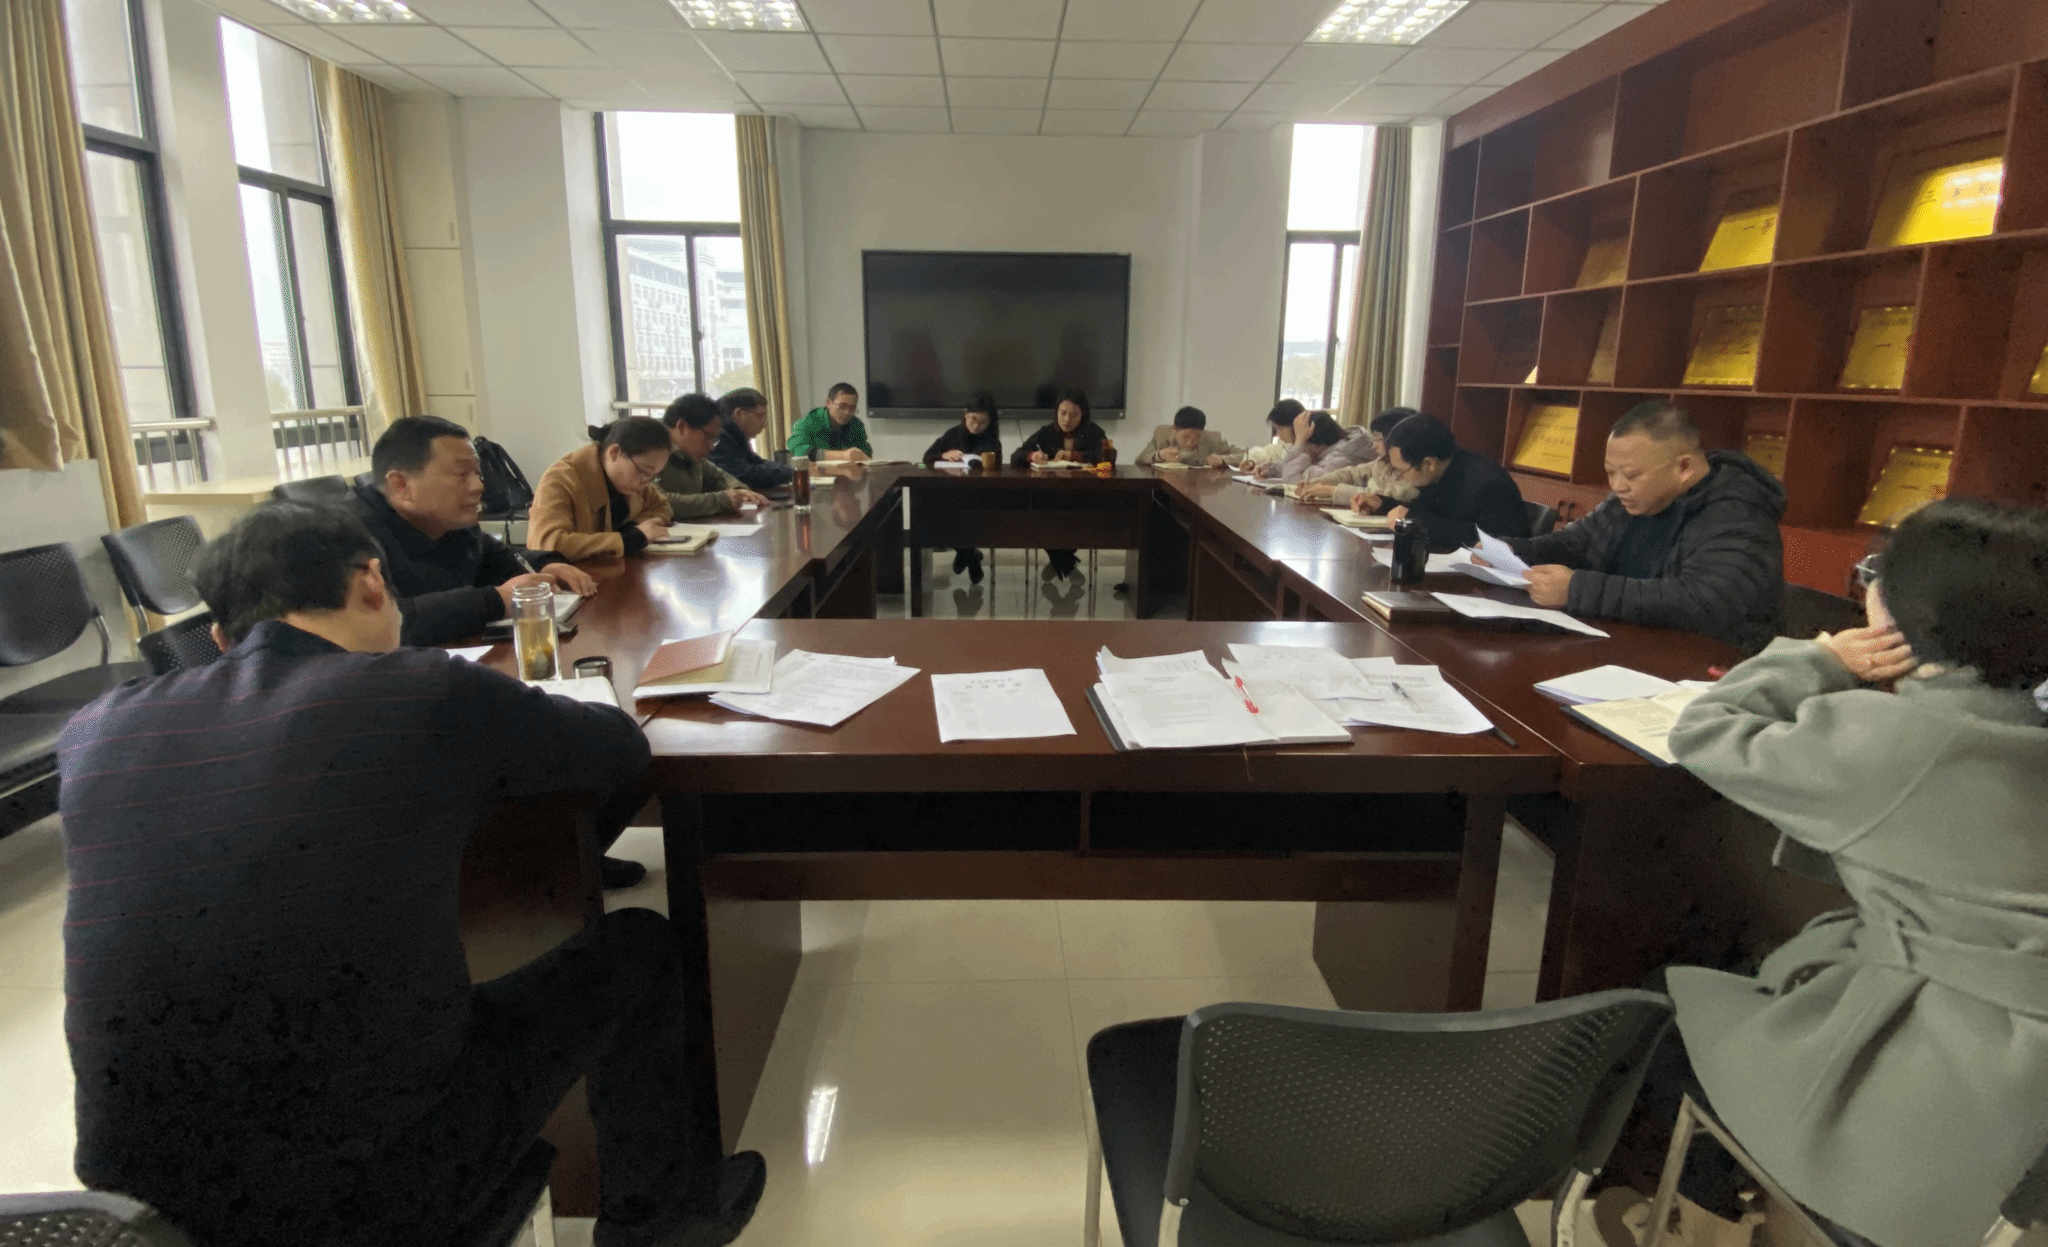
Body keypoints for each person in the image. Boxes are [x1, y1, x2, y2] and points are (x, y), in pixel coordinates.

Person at [58, 503, 766, 1247]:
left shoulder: (96, 728)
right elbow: (619, 750)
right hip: (372, 1184)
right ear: (372, 582)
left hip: (134, 1202)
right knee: (638, 949)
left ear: (219, 637)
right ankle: (658, 1220)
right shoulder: (422, 690)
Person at [1658, 498, 2048, 1247]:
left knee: (1670, 1008)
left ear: (1905, 617)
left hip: (1953, 1099)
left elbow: (1703, 731)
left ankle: (1703, 1217)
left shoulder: (1898, 737)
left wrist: (1823, 657)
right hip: (2028, 1127)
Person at [1483, 402, 1786, 652]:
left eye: (1631, 475)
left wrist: (1577, 589)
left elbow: (1702, 602)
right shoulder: (1633, 499)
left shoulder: (1738, 514)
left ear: (1683, 468)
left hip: (1704, 666)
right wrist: (1512, 551)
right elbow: (1577, 542)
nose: (1617, 486)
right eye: (1611, 472)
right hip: (1619, 645)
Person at [349, 416, 597, 649]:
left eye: (477, 473)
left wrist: (545, 564)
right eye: (461, 474)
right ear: (400, 485)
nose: (478, 486)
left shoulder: (450, 521)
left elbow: (493, 557)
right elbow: (383, 622)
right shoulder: (347, 539)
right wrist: (497, 601)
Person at [1356, 413, 1528, 549]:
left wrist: (1415, 520)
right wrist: (1383, 504)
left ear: (1429, 463)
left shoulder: (1488, 483)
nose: (1400, 477)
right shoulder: (1443, 469)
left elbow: (1493, 541)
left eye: (1401, 471)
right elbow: (1426, 511)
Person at [527, 418, 674, 560]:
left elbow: (661, 506)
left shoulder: (633, 480)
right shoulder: (561, 479)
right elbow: (549, 544)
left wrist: (634, 526)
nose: (646, 483)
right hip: (565, 574)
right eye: (644, 472)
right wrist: (625, 540)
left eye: (654, 476)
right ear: (614, 453)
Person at [1013, 388, 1110, 582]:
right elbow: (1016, 456)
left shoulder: (1094, 432)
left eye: (1074, 415)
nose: (1067, 420)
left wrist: (1073, 456)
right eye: (1062, 413)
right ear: (1056, 412)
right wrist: (1032, 455)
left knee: (1077, 518)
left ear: (1083, 415)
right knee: (1041, 515)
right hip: (1051, 495)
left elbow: (1109, 458)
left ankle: (1059, 561)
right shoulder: (1046, 433)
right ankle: (1066, 563)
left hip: (1085, 495)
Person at [922, 391, 1003, 586]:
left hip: (980, 497)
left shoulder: (992, 440)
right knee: (935, 513)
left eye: (982, 422)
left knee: (962, 516)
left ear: (990, 422)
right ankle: (970, 555)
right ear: (965, 414)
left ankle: (966, 553)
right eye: (973, 419)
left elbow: (996, 467)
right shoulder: (952, 434)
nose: (976, 426)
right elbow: (927, 458)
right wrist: (944, 455)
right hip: (951, 494)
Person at [657, 394, 770, 520]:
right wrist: (721, 500)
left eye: (714, 440)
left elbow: (719, 476)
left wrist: (738, 490)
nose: (711, 447)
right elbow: (657, 502)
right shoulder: (650, 450)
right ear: (682, 427)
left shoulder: (692, 456)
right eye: (708, 437)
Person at [1294, 407, 1423, 508]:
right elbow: (1352, 473)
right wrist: (1319, 482)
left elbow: (1381, 497)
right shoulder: (1383, 463)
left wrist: (1331, 491)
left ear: (1396, 440)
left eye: (1378, 439)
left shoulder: (1417, 472)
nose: (1373, 445)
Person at [709, 387, 793, 491]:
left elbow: (757, 462)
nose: (763, 424)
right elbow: (746, 475)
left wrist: (792, 470)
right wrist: (794, 472)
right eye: (760, 416)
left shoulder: (735, 434)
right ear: (739, 414)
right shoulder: (718, 436)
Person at [1276, 411, 1374, 484]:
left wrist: (1299, 442)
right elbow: (1294, 467)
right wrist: (1273, 468)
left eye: (1304, 442)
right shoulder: (1342, 445)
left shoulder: (1339, 459)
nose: (1303, 448)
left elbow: (1294, 482)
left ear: (1318, 442)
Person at [787, 382, 872, 462]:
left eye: (852, 408)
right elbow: (797, 449)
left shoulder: (856, 424)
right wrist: (841, 455)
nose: (847, 412)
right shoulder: (808, 422)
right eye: (842, 406)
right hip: (815, 472)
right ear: (828, 403)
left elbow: (866, 452)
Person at [1135, 406, 1242, 467]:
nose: (1191, 442)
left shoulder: (1214, 438)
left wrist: (1223, 459)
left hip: (1199, 486)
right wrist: (1159, 455)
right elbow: (1140, 459)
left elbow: (1245, 455)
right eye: (1186, 437)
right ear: (1175, 429)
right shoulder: (1161, 434)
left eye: (1196, 437)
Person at [1248, 400, 1305, 475]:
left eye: (1279, 428)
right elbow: (1267, 452)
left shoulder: (1310, 449)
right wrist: (1251, 462)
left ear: (1294, 425)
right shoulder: (1287, 444)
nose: (1277, 434)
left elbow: (1293, 471)